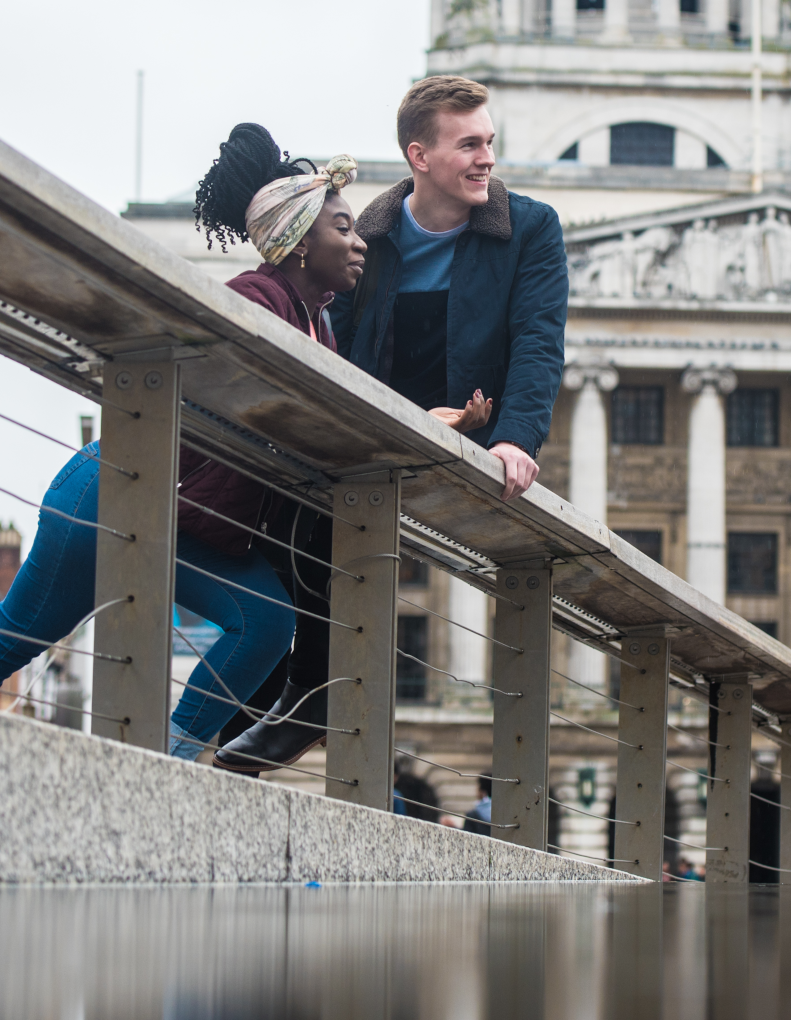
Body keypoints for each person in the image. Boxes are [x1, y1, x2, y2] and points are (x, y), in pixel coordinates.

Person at [0, 125, 366, 759]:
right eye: (344, 227)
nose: (359, 242)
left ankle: (170, 759)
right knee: (17, 637)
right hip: (110, 493)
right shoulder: (253, 299)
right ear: (300, 242)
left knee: (266, 621)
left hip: (178, 515)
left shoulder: (312, 321)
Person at [216, 75, 569, 775]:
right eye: (468, 144)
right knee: (290, 516)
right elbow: (330, 343)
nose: (485, 158)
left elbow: (537, 341)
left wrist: (514, 439)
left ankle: (304, 696)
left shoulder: (530, 228)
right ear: (420, 155)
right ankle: (285, 694)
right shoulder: (365, 235)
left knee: (321, 532)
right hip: (375, 428)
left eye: (489, 142)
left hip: (471, 440)